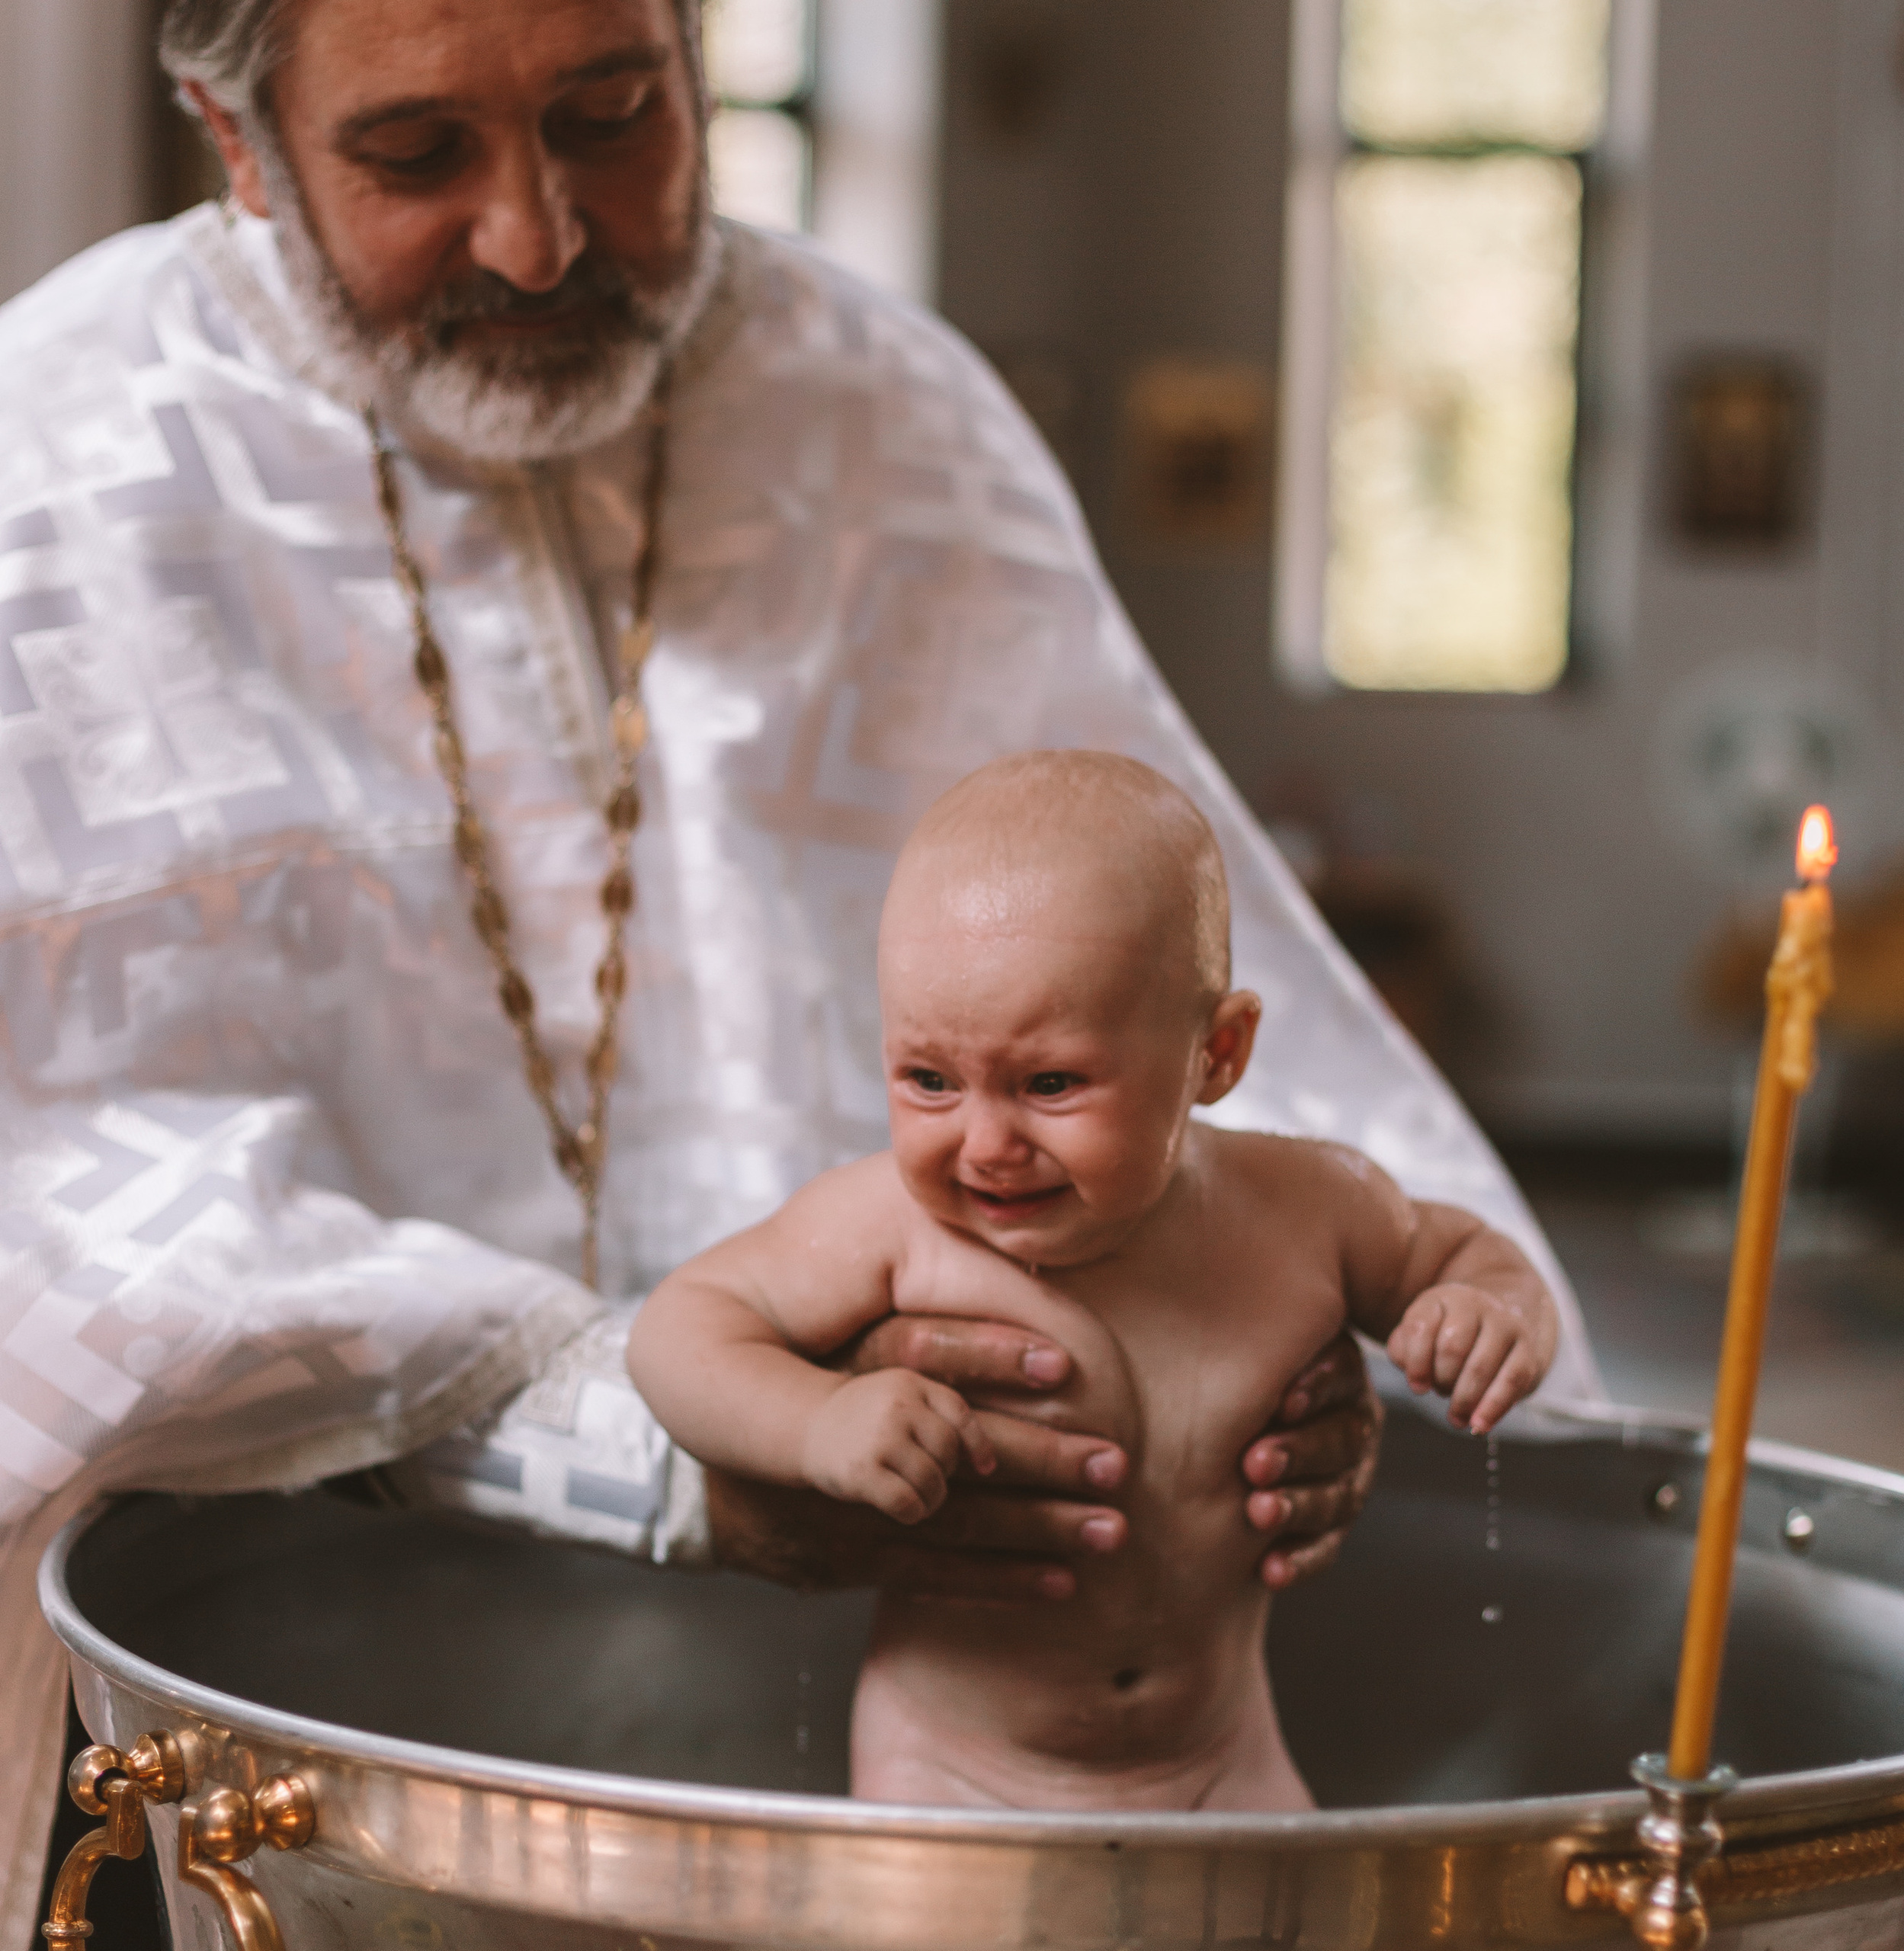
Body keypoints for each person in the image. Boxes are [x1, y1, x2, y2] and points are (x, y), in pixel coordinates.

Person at [0, 0, 1602, 1929]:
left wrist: (1310, 1360)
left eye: (612, 115)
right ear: (238, 143)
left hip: (958, 1685)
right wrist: (646, 1433)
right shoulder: (56, 471)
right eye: (418, 157)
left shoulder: (882, 416)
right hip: (268, 1685)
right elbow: (55, 1197)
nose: (538, 235)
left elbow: (1169, 979)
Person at [633, 754, 1558, 1809]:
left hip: (1223, 1763)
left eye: (1052, 1083)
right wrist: (816, 1422)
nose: (985, 1143)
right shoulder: (886, 1225)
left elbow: (1465, 1256)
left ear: (1217, 1053)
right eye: (928, 1080)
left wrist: (1488, 1312)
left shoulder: (1307, 1208)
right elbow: (680, 1328)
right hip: (952, 1772)